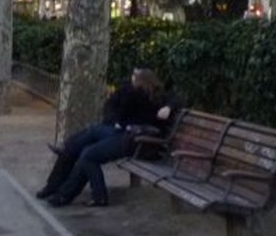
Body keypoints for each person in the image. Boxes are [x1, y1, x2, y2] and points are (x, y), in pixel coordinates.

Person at [37, 67, 176, 207]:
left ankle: (74, 195)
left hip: (137, 141)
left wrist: (169, 107)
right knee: (87, 137)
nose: (131, 78)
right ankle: (55, 183)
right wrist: (114, 121)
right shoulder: (130, 90)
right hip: (123, 132)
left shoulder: (157, 96)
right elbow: (112, 107)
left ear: (145, 80)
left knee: (88, 154)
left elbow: (178, 99)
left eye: (135, 76)